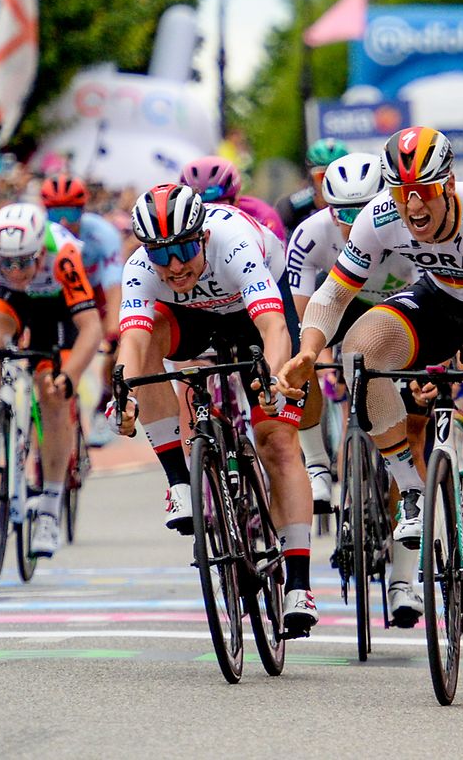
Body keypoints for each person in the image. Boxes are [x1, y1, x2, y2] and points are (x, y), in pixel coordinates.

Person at [275, 127, 463, 658]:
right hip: (438, 303)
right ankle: (412, 489)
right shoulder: (380, 216)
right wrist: (308, 351)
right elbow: (331, 297)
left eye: (424, 190)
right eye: (402, 192)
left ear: (449, 184)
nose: (413, 204)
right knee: (360, 351)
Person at [105, 184, 319, 635]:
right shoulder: (140, 268)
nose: (174, 266)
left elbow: (273, 327)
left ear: (202, 238)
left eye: (184, 249)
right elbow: (133, 341)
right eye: (161, 254)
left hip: (255, 314)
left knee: (278, 442)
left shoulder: (235, 245)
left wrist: (273, 381)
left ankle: (299, 585)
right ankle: (179, 482)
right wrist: (124, 394)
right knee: (147, 346)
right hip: (193, 319)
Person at [284, 152, 425, 625]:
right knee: (299, 360)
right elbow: (307, 312)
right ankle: (318, 466)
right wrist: (318, 358)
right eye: (341, 212)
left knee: (412, 429)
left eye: (361, 210)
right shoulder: (311, 236)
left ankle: (403, 580)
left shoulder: (408, 231)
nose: (351, 222)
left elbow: (433, 308)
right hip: (340, 309)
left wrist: (419, 372)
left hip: (401, 313)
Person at [0, 203, 103, 557]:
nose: (15, 271)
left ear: (40, 252)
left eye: (24, 262)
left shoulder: (64, 255)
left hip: (56, 310)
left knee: (53, 395)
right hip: (11, 303)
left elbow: (91, 327)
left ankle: (49, 508)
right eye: (7, 264)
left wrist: (70, 376)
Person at [39, 174, 124, 448]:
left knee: (117, 346)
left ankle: (104, 401)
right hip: (58, 297)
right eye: (56, 214)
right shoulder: (38, 234)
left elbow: (114, 285)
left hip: (96, 294)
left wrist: (113, 333)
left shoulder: (102, 234)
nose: (64, 222)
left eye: (71, 213)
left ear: (83, 210)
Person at [180, 155, 286, 242]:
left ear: (235, 200)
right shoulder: (177, 218)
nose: (209, 216)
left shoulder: (263, 217)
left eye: (217, 207)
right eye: (200, 208)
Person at [275, 138, 349, 231]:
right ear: (310, 177)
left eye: (337, 175)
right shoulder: (291, 207)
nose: (329, 182)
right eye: (322, 176)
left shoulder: (357, 204)